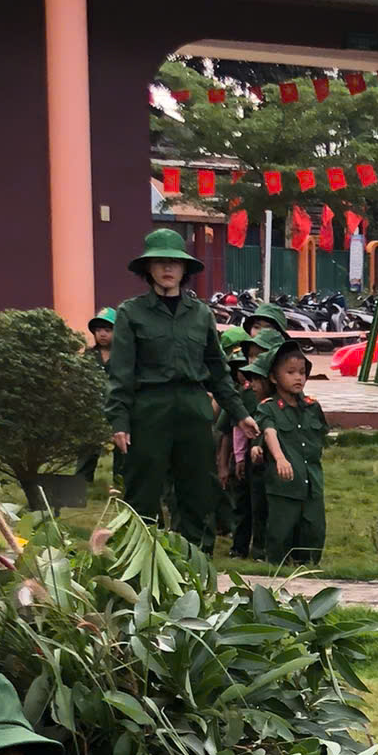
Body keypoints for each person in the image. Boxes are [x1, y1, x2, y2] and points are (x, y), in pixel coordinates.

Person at [106, 229, 246, 552]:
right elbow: (121, 372)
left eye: (174, 262)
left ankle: (195, 562)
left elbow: (218, 370)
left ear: (184, 269)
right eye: (160, 262)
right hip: (149, 408)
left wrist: (239, 414)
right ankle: (141, 562)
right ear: (148, 268)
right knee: (142, 492)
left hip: (193, 408)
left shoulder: (200, 314)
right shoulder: (131, 313)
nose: (168, 268)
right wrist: (119, 421)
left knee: (198, 490)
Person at [259, 337, 328, 564]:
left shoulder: (312, 406)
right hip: (284, 485)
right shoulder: (268, 407)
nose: (298, 377)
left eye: (302, 372)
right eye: (290, 372)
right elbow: (269, 432)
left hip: (312, 483)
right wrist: (280, 458)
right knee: (280, 535)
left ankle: (309, 572)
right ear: (273, 377)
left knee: (314, 532)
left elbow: (321, 435)